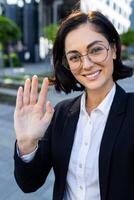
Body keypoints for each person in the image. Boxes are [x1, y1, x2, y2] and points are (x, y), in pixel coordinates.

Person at [13, 10, 134, 200]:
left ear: (113, 49)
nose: (86, 64)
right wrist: (26, 144)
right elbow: (29, 184)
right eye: (75, 57)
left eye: (95, 50)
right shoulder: (61, 114)